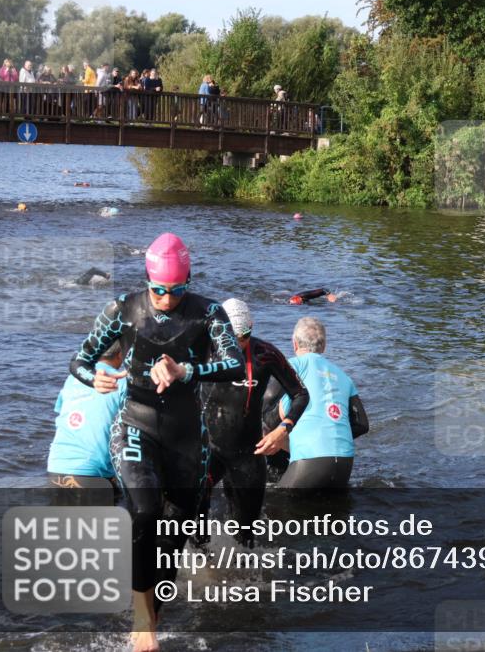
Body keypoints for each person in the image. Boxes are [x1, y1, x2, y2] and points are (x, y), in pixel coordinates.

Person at [69, 232, 245, 652]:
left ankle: (153, 617)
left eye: (176, 290)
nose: (166, 298)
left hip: (186, 436)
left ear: (188, 281)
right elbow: (80, 358)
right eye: (159, 290)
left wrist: (187, 371)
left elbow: (234, 362)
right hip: (136, 425)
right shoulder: (124, 309)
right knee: (145, 510)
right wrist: (92, 377)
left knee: (174, 533)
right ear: (148, 281)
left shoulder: (208, 312)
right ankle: (143, 619)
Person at [199, 298, 309, 545]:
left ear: (252, 327)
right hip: (209, 451)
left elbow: (301, 394)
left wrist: (283, 429)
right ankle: (203, 575)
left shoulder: (266, 354)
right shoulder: (201, 351)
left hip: (248, 454)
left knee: (246, 537)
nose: (239, 343)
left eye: (245, 335)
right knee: (194, 524)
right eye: (233, 337)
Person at [257, 317, 368, 489]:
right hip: (344, 465)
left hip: (308, 463)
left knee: (273, 508)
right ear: (323, 346)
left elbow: (264, 409)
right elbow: (362, 425)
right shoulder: (344, 377)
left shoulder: (292, 365)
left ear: (294, 344)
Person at [48, 341, 126, 503]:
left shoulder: (73, 379)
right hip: (93, 471)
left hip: (57, 466)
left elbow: (62, 412)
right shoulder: (121, 382)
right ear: (120, 355)